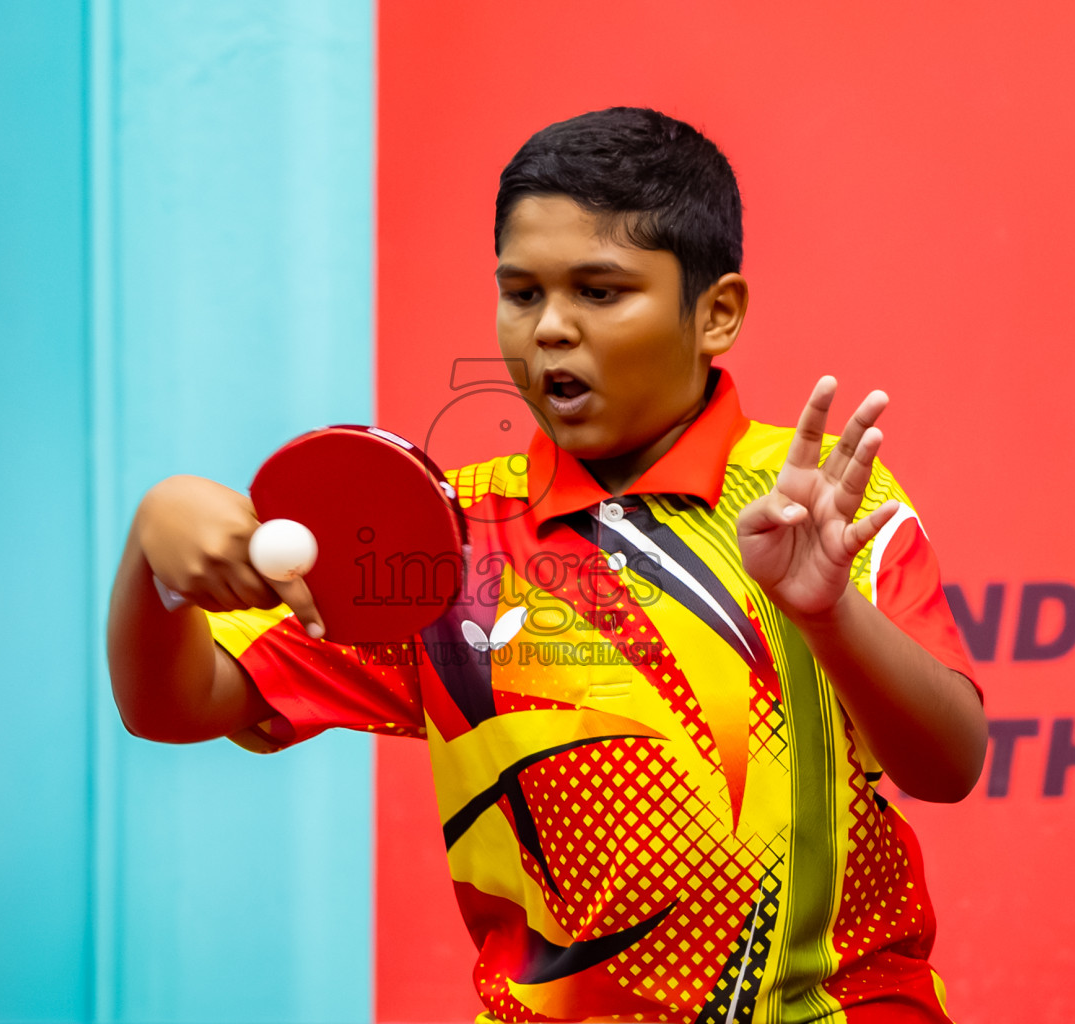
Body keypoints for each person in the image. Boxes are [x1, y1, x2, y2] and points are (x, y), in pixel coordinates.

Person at [108, 107, 987, 1024]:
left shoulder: (817, 502)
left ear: (716, 313)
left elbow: (947, 764)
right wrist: (153, 562)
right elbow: (176, 704)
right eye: (522, 293)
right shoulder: (440, 539)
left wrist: (825, 610)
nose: (551, 329)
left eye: (600, 292)